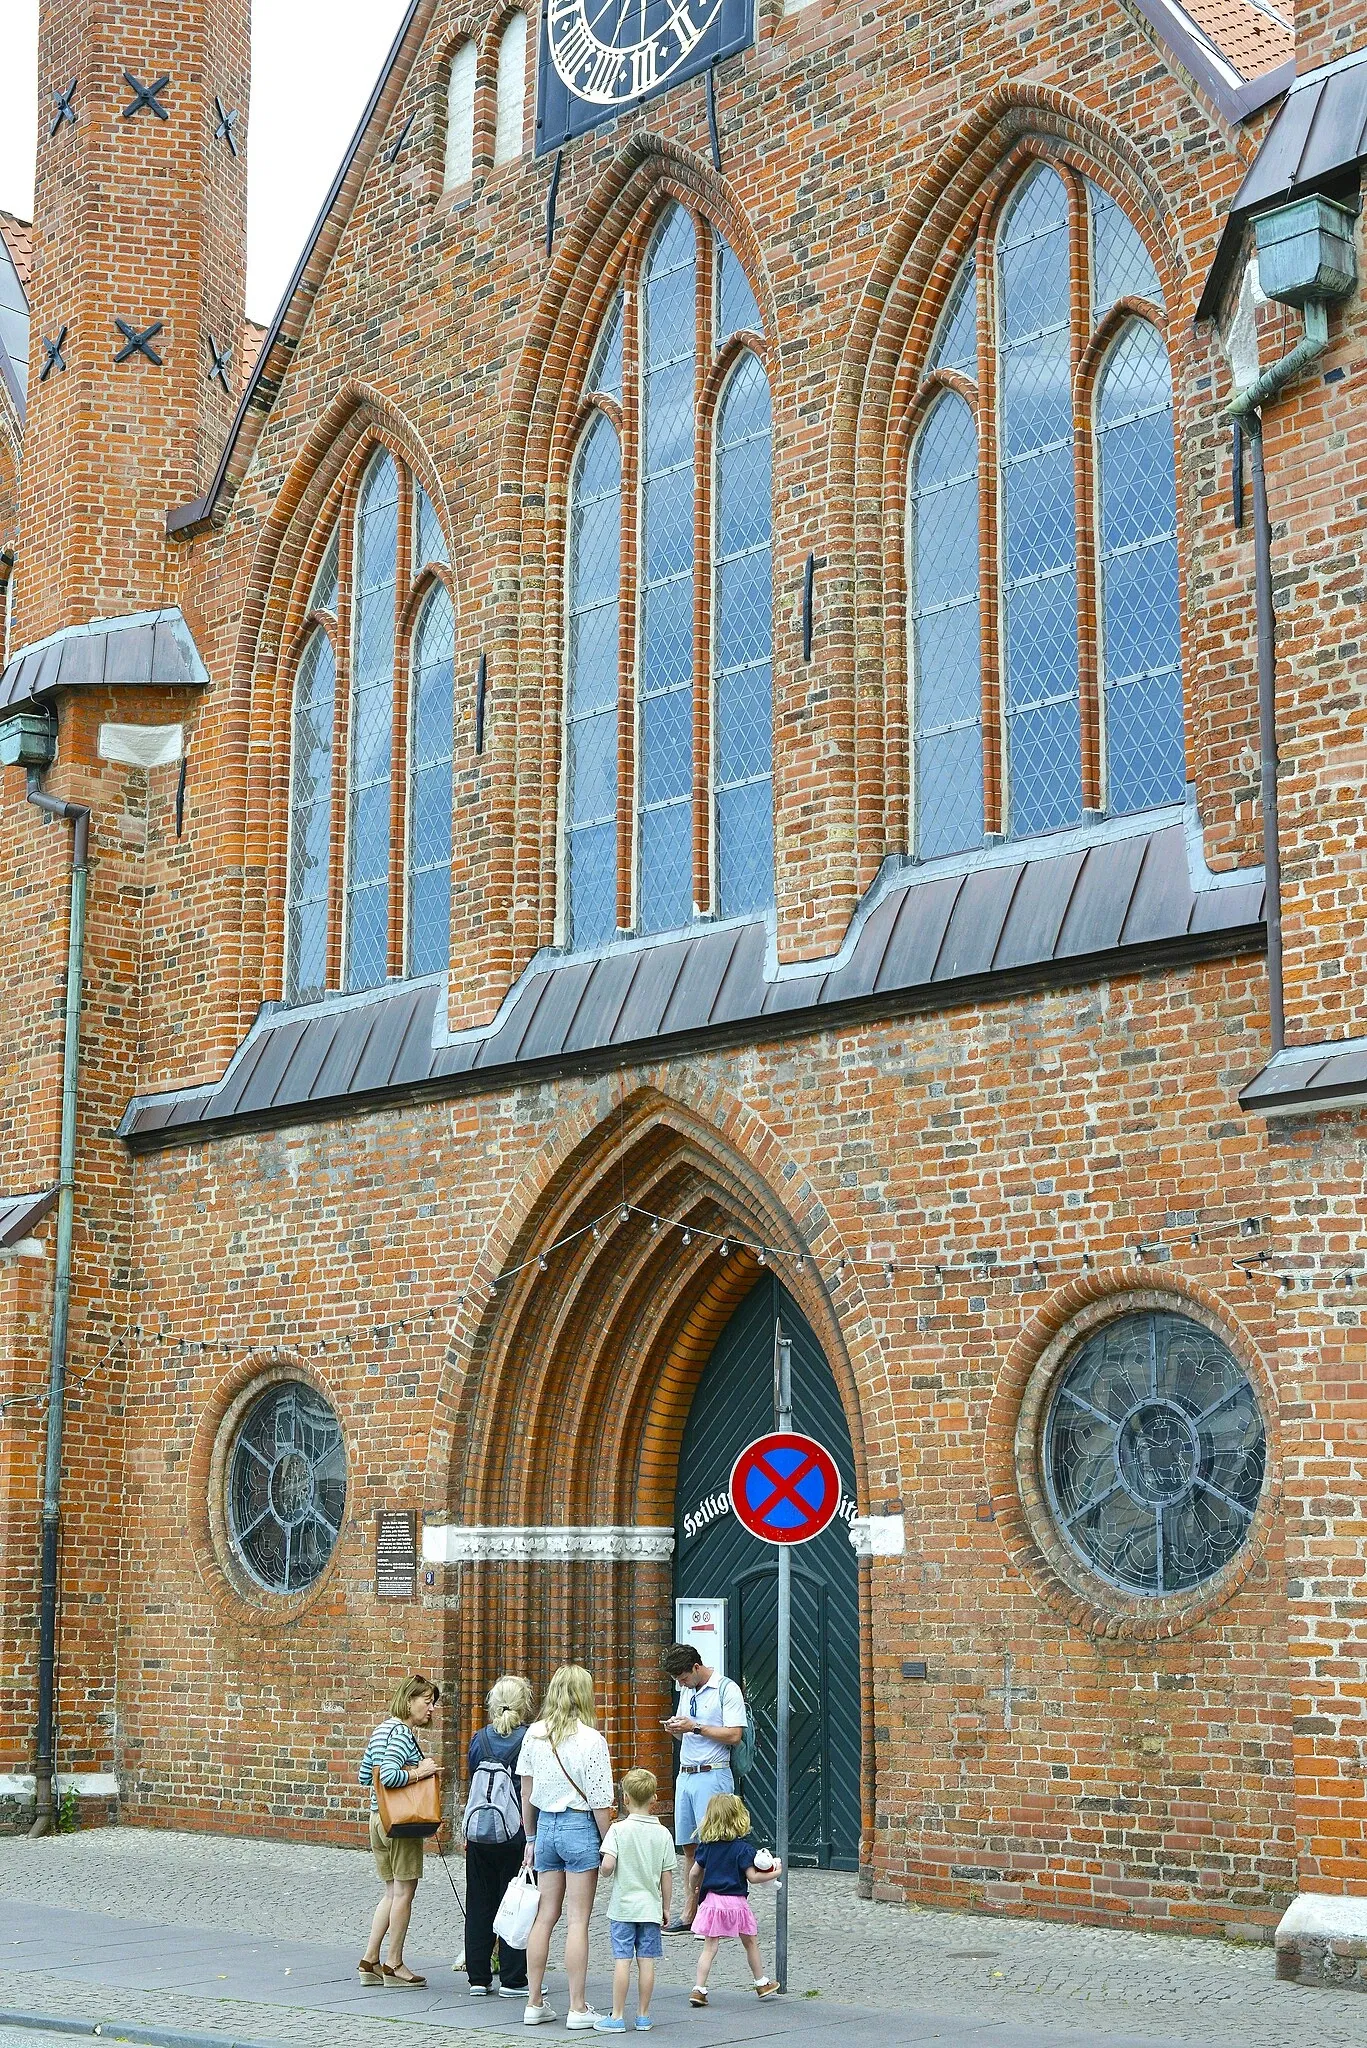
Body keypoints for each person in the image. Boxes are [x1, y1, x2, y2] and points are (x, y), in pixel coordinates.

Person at [516, 1664, 615, 2027]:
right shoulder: (592, 1740)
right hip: (579, 1827)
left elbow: (526, 1792)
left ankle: (533, 2001)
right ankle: (577, 2007)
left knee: (545, 1917)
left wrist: (530, 1837)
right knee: (578, 1920)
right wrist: (610, 1844)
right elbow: (601, 1801)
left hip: (545, 1828)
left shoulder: (534, 1735)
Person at [357, 1673, 442, 1988]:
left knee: (391, 1892)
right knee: (404, 1892)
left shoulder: (381, 1729)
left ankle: (369, 1961)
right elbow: (388, 1776)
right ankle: (394, 1963)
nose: (430, 1709)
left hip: (377, 1819)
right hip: (401, 1824)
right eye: (427, 1701)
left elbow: (366, 1776)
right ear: (409, 1700)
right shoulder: (402, 1733)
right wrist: (419, 1771)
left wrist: (405, 1771)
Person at [659, 1641, 745, 1932]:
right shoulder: (688, 1691)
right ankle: (690, 1911)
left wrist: (694, 1726)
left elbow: (734, 1735)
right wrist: (676, 1729)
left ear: (696, 1668)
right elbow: (688, 1736)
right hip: (687, 1774)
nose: (681, 1684)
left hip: (713, 1773)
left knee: (716, 1845)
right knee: (688, 1846)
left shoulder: (725, 1689)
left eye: (683, 1678)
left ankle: (714, 1912)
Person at [463, 1673, 534, 2000]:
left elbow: (473, 1783)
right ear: (524, 1705)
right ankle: (513, 1978)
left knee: (479, 1902)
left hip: (479, 1832)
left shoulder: (479, 1739)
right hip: (515, 1834)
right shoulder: (528, 1739)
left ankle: (478, 1977)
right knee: (516, 1902)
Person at [594, 1768, 675, 2033]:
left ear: (625, 1799)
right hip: (650, 1908)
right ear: (654, 1799)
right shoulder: (663, 1834)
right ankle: (643, 2015)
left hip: (623, 1908)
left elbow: (607, 1866)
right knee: (647, 1961)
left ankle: (617, 2016)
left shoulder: (618, 1831)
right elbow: (666, 1875)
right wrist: (665, 1906)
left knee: (622, 1961)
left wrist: (605, 1868)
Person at [684, 1791, 780, 2006]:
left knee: (709, 1947)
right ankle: (761, 1982)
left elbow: (693, 1873)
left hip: (712, 1902)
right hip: (736, 1903)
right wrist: (776, 1873)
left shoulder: (706, 1847)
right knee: (750, 1942)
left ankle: (698, 1989)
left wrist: (694, 1889)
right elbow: (753, 1877)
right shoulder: (743, 1849)